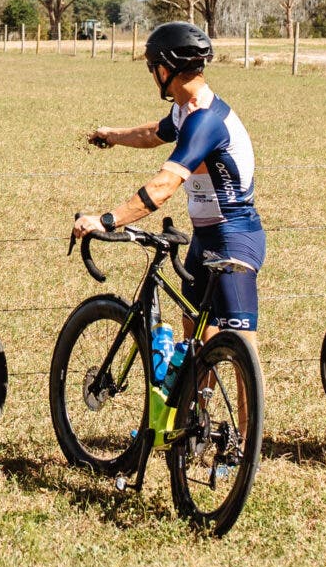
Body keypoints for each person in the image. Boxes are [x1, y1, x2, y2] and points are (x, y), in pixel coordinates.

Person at [76, 21, 264, 349]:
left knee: (240, 350)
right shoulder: (184, 111)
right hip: (203, 240)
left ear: (164, 70)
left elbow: (163, 187)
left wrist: (106, 220)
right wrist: (113, 136)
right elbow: (153, 133)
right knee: (195, 340)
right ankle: (197, 402)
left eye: (153, 69)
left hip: (234, 239)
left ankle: (251, 404)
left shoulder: (205, 120)